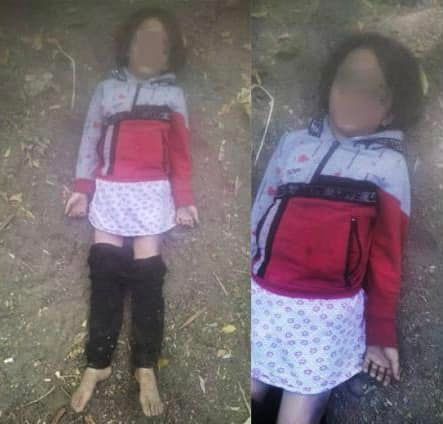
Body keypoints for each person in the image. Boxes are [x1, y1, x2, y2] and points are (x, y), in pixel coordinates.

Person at [250, 32, 423, 424]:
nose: (355, 95)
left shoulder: (388, 166)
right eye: (348, 79)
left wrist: (381, 334)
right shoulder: (293, 144)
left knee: (296, 417)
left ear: (390, 111)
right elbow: (261, 209)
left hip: (326, 316)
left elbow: (388, 258)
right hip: (266, 300)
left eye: (374, 91)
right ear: (330, 83)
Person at [64, 8, 199, 416]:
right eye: (143, 39)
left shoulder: (174, 97)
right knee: (104, 270)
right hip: (109, 189)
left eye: (161, 44)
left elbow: (181, 153)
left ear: (170, 54)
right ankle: (98, 361)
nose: (150, 48)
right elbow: (90, 138)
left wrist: (184, 198)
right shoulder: (107, 90)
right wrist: (83, 189)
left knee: (147, 278)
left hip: (152, 193)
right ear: (127, 44)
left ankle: (145, 364)